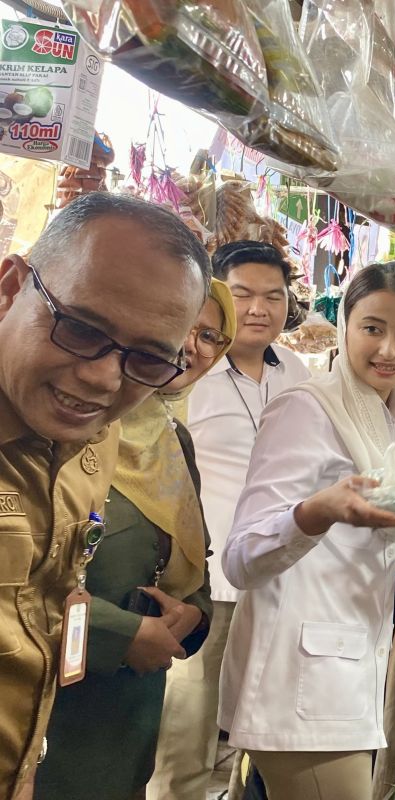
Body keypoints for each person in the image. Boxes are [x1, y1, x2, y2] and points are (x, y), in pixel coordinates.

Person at [218, 262, 395, 800]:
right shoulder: (307, 410)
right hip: (299, 678)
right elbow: (241, 559)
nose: (388, 350)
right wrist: (317, 511)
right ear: (346, 327)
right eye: (372, 328)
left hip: (350, 676)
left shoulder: (394, 417)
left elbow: (389, 552)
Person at [0, 192, 210, 799]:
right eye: (80, 328)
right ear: (11, 286)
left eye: (147, 359)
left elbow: (45, 602)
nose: (101, 376)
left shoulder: (94, 443)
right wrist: (121, 635)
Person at [36, 279, 235, 800]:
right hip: (48, 711)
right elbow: (27, 583)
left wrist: (192, 615)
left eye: (211, 335)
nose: (192, 346)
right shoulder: (61, 424)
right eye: (181, 328)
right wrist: (122, 634)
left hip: (130, 712)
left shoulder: (173, 441)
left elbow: (190, 559)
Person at [149, 240, 311, 800]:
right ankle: (178, 791)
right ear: (217, 297)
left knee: (256, 698)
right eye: (242, 295)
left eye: (273, 297)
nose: (259, 309)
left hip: (280, 564)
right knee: (191, 702)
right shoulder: (188, 368)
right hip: (211, 564)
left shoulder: (297, 369)